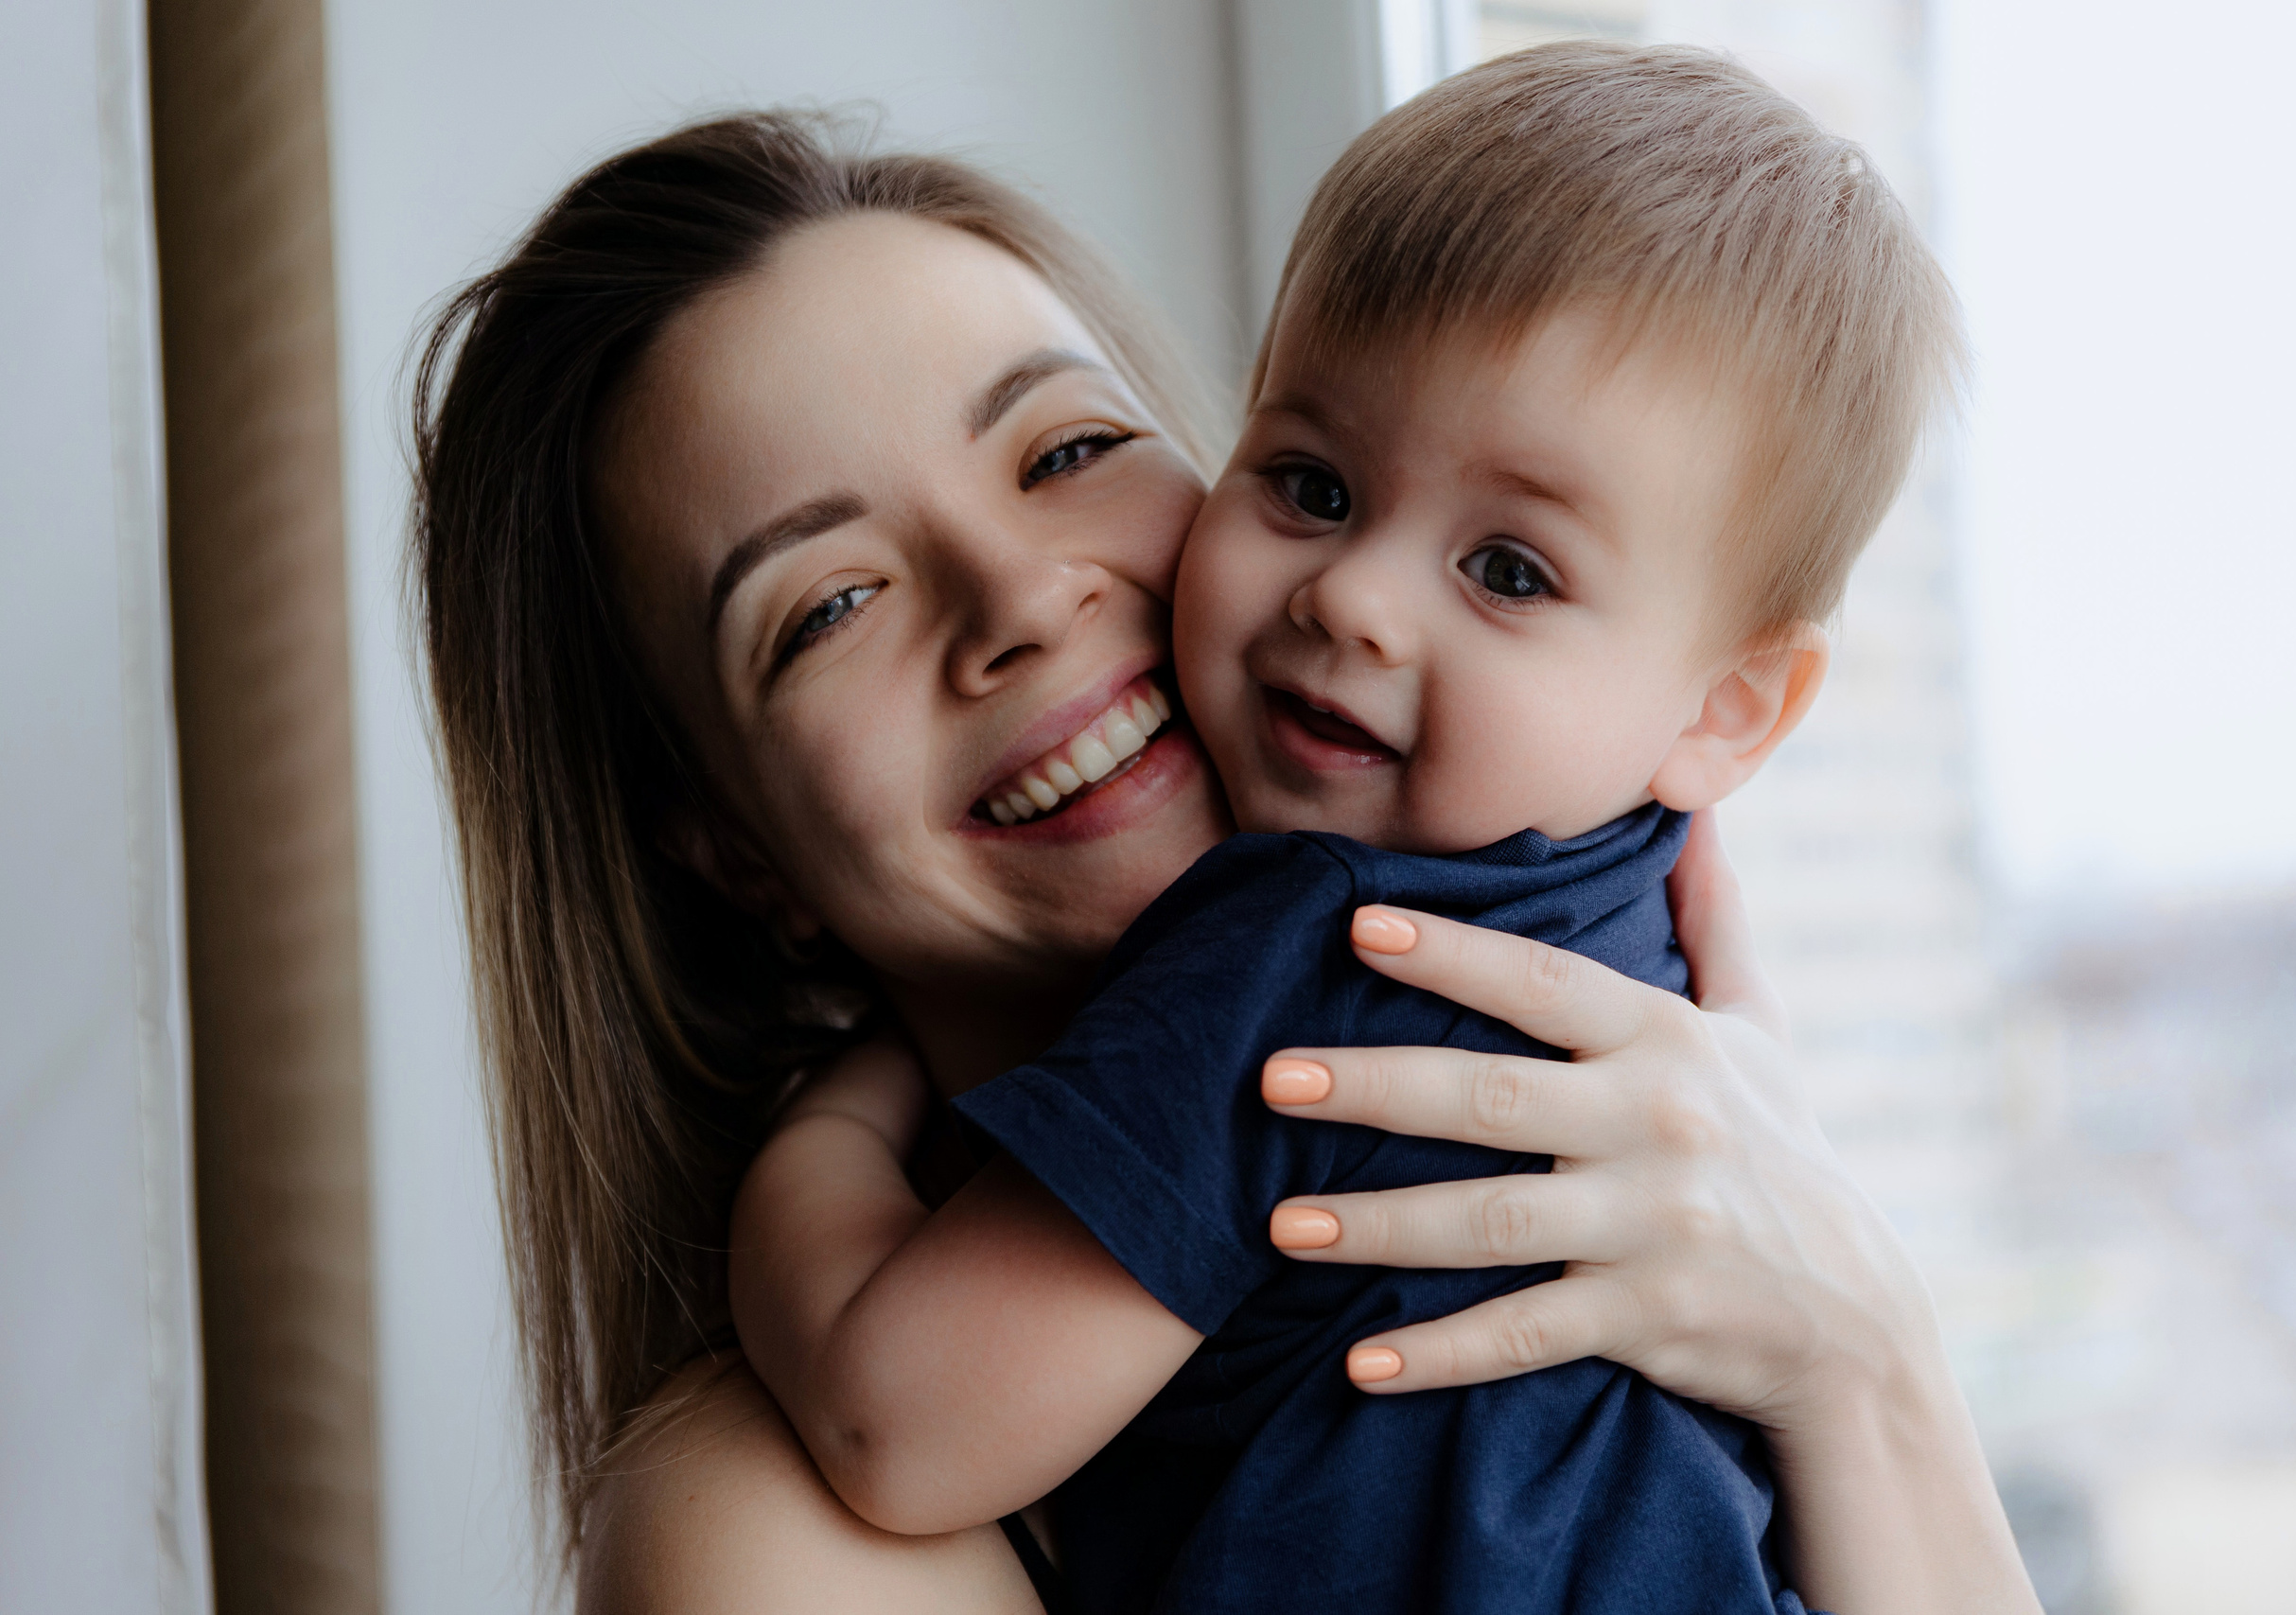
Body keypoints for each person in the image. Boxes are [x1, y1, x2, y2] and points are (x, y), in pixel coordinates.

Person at [407, 107, 2038, 1615]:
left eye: (1062, 452)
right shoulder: (758, 1535)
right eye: (830, 605)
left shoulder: (1403, 974)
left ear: (1726, 708)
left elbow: (890, 1400)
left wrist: (1856, 1350)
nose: (1023, 597)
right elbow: (884, 1424)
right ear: (722, 842)